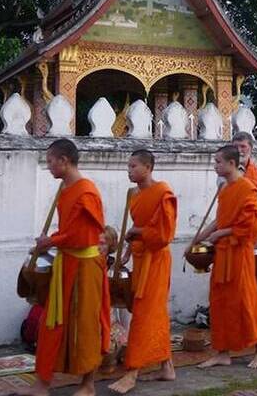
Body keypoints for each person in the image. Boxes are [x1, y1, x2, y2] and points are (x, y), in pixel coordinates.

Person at [21, 139, 110, 396]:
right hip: (66, 263)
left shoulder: (86, 191)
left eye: (50, 161)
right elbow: (69, 230)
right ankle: (42, 383)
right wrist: (47, 245)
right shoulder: (65, 189)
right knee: (51, 324)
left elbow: (84, 236)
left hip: (85, 267)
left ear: (64, 161)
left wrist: (50, 240)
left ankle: (88, 384)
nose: (48, 166)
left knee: (86, 324)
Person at [109, 150, 177, 394]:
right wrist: (127, 251)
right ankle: (167, 367)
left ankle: (132, 372)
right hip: (140, 259)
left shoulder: (163, 193)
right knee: (153, 313)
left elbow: (164, 235)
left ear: (148, 168)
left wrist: (137, 232)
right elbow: (136, 229)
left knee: (144, 315)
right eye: (128, 166)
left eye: (133, 166)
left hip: (156, 260)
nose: (129, 170)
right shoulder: (134, 194)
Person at [195, 145, 257, 369]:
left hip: (239, 253)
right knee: (219, 302)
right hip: (222, 254)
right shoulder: (225, 189)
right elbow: (221, 219)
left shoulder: (247, 188)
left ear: (232, 164)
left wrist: (221, 233)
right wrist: (201, 235)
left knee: (245, 300)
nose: (215, 165)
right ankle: (222, 352)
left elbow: (252, 225)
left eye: (218, 162)